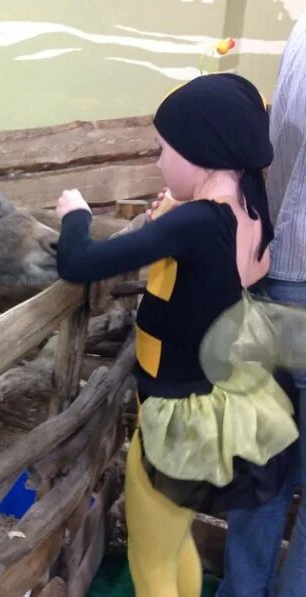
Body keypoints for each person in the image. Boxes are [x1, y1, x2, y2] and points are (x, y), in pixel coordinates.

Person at [54, 73, 299, 597]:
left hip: (176, 420)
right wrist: (172, 214)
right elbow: (232, 267)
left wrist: (75, 215)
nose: (158, 162)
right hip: (212, 408)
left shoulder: (194, 224)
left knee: (150, 560)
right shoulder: (250, 209)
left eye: (163, 150)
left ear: (199, 154)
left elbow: (78, 263)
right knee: (173, 541)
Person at [217, 15, 306, 597]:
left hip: (283, 272)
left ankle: (241, 591)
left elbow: (274, 150)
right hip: (286, 273)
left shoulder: (301, 34)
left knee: (265, 467)